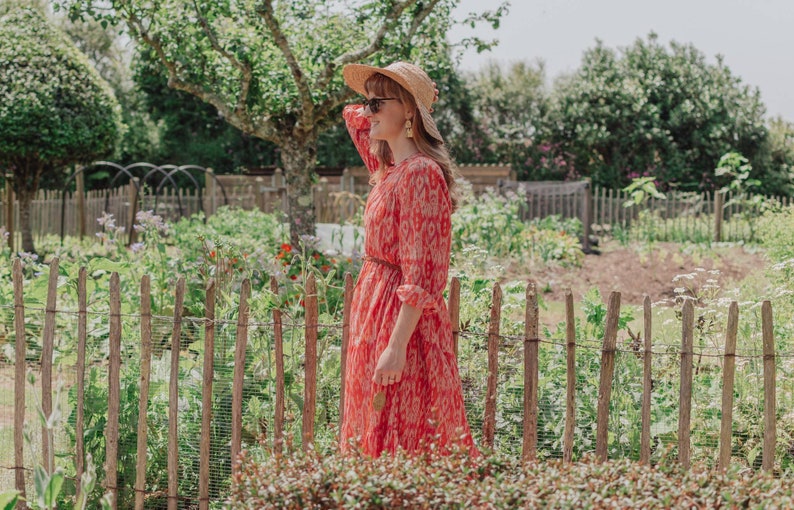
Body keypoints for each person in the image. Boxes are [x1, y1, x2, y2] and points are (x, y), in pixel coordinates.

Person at [339, 61, 477, 457]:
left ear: (409, 111)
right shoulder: (389, 170)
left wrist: (396, 345)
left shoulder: (420, 174)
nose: (368, 112)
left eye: (378, 103)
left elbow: (423, 273)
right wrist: (379, 100)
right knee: (371, 422)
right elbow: (353, 117)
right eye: (368, 103)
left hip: (397, 323)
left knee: (398, 425)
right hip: (373, 310)